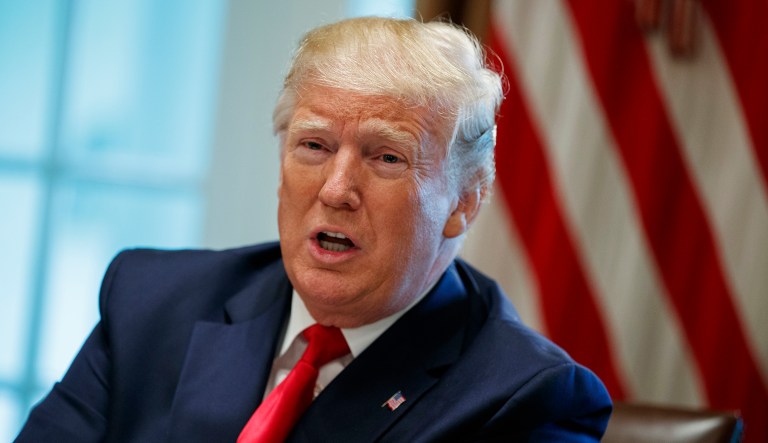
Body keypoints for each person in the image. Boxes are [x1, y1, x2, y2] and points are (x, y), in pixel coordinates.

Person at [15, 17, 611, 442]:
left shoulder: (524, 400)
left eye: (386, 157)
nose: (335, 189)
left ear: (464, 200)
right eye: (314, 146)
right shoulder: (150, 301)